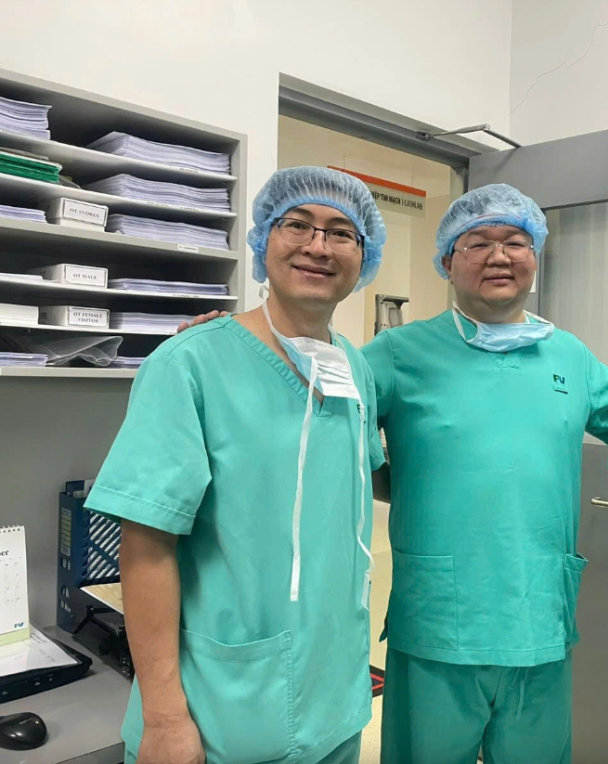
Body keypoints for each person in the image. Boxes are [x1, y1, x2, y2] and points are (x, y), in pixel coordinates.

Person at [87, 167, 388, 764]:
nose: (317, 246)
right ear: (262, 241)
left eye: (342, 233)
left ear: (364, 255)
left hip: (337, 703)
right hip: (220, 713)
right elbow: (145, 545)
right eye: (296, 225)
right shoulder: (189, 365)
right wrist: (166, 717)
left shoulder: (354, 368)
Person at [364, 184, 608, 764]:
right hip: (438, 622)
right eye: (478, 242)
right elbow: (325, 433)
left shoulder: (570, 357)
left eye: (515, 241)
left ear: (535, 257)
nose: (499, 255)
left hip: (539, 618)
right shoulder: (398, 353)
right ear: (448, 262)